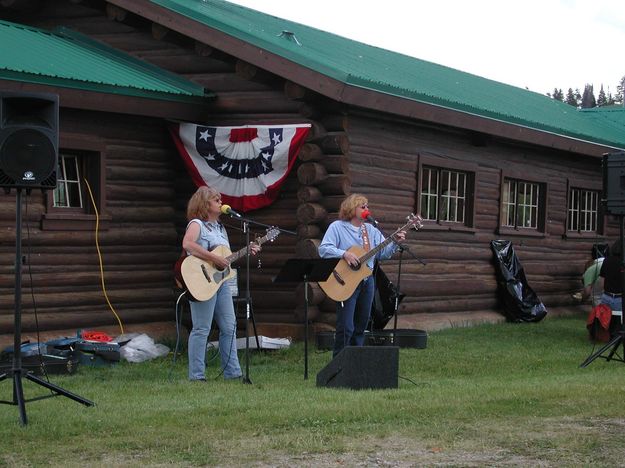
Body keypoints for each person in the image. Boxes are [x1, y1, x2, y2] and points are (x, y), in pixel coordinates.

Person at [182, 186, 260, 382]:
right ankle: (197, 376)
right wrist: (213, 258)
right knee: (202, 328)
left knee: (229, 326)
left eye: (219, 199)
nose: (220, 202)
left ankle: (232, 373)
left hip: (221, 283)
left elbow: (225, 259)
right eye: (216, 200)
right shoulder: (197, 224)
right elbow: (188, 244)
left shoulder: (221, 228)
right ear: (204, 204)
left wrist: (247, 250)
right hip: (201, 281)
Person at [318, 193, 406, 357]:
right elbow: (323, 249)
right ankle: (338, 363)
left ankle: (355, 362)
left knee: (360, 325)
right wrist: (345, 254)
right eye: (363, 206)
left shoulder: (371, 230)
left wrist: (395, 242)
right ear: (352, 209)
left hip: (367, 281)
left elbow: (383, 254)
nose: (367, 209)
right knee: (346, 326)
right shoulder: (337, 227)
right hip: (344, 281)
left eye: (367, 206)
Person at [599, 240, 623, 313]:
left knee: (605, 323)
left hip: (606, 296)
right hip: (620, 298)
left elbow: (601, 282)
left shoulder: (606, 260)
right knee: (618, 323)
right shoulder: (623, 262)